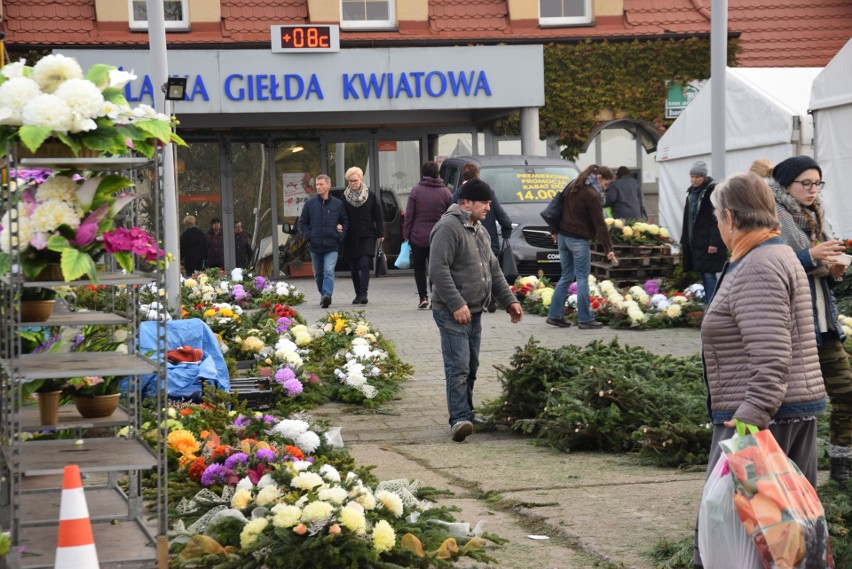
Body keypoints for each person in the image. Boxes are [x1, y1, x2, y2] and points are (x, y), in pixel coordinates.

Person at [693, 172, 826, 567]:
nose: (718, 224)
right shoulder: (772, 253)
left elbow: (770, 354)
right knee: (784, 537)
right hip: (782, 409)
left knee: (750, 536)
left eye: (718, 217)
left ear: (731, 217)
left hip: (762, 417)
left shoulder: (758, 265)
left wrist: (751, 416)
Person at [771, 155, 852, 483]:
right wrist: (809, 256)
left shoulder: (817, 215)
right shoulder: (773, 216)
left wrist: (833, 269)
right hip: (795, 329)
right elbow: (773, 263)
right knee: (792, 407)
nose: (813, 189)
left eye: (817, 183)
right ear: (786, 184)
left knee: (847, 394)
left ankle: (842, 467)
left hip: (825, 325)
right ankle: (782, 476)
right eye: (805, 183)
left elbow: (820, 273)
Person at [429, 179, 523, 442]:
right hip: (451, 311)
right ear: (467, 202)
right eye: (485, 203)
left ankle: (468, 413)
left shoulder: (479, 229)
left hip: (475, 310)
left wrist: (509, 300)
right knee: (458, 365)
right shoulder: (448, 227)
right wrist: (457, 304)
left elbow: (492, 269)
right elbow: (438, 270)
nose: (488, 208)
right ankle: (458, 418)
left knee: (471, 365)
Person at [545, 165, 616, 330]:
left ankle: (554, 316)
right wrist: (608, 248)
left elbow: (558, 207)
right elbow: (600, 224)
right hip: (578, 239)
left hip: (563, 237)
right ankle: (585, 319)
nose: (606, 188)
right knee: (582, 278)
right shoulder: (592, 195)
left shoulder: (574, 185)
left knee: (566, 277)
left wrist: (554, 230)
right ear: (599, 178)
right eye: (606, 184)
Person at [404, 161, 453, 309]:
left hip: (418, 236)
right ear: (437, 173)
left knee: (419, 268)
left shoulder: (416, 191)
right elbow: (450, 215)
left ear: (423, 173)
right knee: (436, 268)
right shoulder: (446, 192)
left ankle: (422, 297)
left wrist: (406, 234)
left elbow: (409, 215)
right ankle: (435, 298)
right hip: (438, 237)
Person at [680, 160, 727, 305]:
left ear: (704, 177)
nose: (694, 180)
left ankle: (713, 304)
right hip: (696, 240)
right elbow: (687, 219)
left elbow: (716, 219)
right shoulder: (691, 193)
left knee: (709, 274)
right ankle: (709, 303)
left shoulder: (711, 192)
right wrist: (684, 241)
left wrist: (714, 242)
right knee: (702, 272)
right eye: (692, 176)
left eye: (697, 177)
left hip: (707, 241)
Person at [298, 174, 348, 308]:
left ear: (328, 185)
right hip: (315, 246)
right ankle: (323, 295)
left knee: (329, 271)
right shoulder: (310, 204)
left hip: (332, 246)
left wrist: (340, 236)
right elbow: (302, 222)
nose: (318, 187)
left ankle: (327, 294)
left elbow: (345, 222)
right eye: (317, 185)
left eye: (321, 184)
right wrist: (309, 235)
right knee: (319, 274)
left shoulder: (338, 204)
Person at [340, 166, 384, 305]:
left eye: (355, 180)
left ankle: (364, 293)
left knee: (364, 264)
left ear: (361, 179)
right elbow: (340, 215)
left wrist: (381, 233)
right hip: (350, 236)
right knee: (354, 267)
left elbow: (378, 215)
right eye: (350, 181)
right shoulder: (344, 197)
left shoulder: (370, 196)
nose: (353, 183)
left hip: (367, 235)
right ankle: (357, 293)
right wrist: (338, 225)